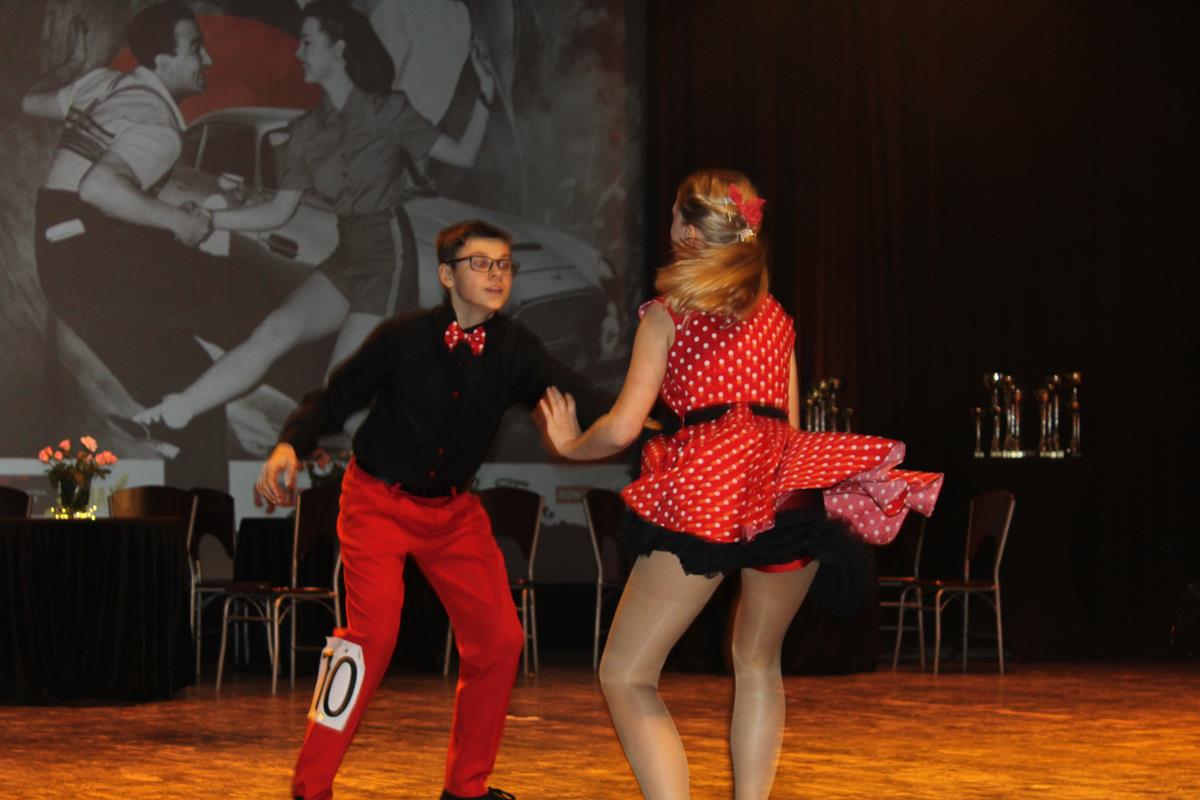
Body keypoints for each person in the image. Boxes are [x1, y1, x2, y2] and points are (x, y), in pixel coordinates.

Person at [538, 168, 943, 799]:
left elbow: (620, 429)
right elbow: (790, 425)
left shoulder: (667, 314)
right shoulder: (778, 318)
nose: (669, 227)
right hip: (787, 491)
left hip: (708, 491)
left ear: (689, 230)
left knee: (626, 674)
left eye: (675, 216)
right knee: (758, 663)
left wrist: (568, 444)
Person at [256, 219, 607, 800]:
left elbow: (578, 392)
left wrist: (651, 419)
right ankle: (309, 788)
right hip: (377, 502)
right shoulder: (401, 338)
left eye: (504, 265)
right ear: (447, 274)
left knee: (500, 640)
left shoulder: (515, 349)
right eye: (481, 263)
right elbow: (334, 398)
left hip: (453, 514)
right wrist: (290, 443)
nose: (496, 275)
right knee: (370, 639)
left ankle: (466, 788)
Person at [132, 0, 497, 439]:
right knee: (272, 332)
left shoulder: (388, 112)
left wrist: (485, 97)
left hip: (386, 257)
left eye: (307, 43)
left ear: (338, 49)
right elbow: (277, 211)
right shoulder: (306, 131)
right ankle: (170, 415)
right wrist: (212, 217)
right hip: (347, 254)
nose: (298, 52)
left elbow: (463, 156)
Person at [22, 1, 246, 488]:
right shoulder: (159, 125)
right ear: (162, 62)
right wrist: (179, 222)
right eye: (195, 48)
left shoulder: (101, 83)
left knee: (191, 383)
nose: (207, 59)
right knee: (242, 307)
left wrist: (71, 65)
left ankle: (183, 488)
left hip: (59, 263)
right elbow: (99, 188)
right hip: (91, 258)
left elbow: (30, 103)